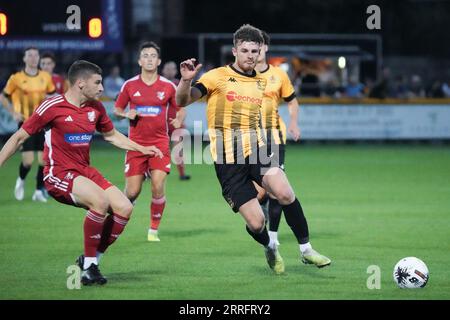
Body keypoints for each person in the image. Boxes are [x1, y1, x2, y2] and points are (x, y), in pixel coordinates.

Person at [176, 24, 331, 275]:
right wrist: (185, 81)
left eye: (255, 51)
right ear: (235, 50)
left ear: (261, 52)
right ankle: (270, 246)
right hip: (228, 160)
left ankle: (306, 250)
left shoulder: (264, 81)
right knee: (257, 223)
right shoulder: (216, 76)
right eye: (245, 50)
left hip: (258, 150)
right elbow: (182, 100)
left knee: (285, 193)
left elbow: (282, 104)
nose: (250, 55)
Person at [0, 60, 163, 285]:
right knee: (100, 202)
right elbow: (19, 136)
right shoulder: (52, 106)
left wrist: (142, 148)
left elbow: (111, 135)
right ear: (80, 83)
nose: (102, 88)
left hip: (85, 170)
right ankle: (89, 268)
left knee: (125, 207)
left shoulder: (96, 108)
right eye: (97, 82)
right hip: (58, 172)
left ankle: (91, 260)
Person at [114, 42, 178, 242]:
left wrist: (178, 120)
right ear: (139, 60)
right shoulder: (129, 85)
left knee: (157, 184)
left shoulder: (168, 86)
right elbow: (116, 112)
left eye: (153, 56)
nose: (149, 59)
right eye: (145, 55)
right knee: (132, 191)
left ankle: (153, 229)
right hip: (135, 145)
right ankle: (118, 214)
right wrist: (126, 114)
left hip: (159, 143)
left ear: (158, 61)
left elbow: (179, 108)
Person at [254, 30, 300, 247]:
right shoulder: (242, 74)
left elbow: (292, 100)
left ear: (266, 48)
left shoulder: (279, 75)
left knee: (275, 189)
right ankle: (260, 208)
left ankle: (273, 236)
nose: (257, 50)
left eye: (260, 45)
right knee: (259, 192)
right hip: (248, 138)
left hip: (274, 136)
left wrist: (293, 122)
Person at [0, 47, 56, 203]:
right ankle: (21, 179)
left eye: (35, 55)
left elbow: (51, 97)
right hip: (26, 123)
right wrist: (13, 112)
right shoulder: (16, 78)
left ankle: (38, 191)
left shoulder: (45, 77)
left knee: (44, 160)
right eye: (29, 55)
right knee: (28, 161)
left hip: (43, 123)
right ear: (24, 59)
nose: (33, 58)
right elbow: (3, 97)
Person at [162, 61, 191, 181]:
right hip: (160, 122)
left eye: (173, 68)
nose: (170, 71)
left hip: (176, 122)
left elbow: (185, 102)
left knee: (177, 150)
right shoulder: (157, 84)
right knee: (156, 149)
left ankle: (182, 173)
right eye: (168, 68)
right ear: (163, 70)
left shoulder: (180, 84)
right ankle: (150, 172)